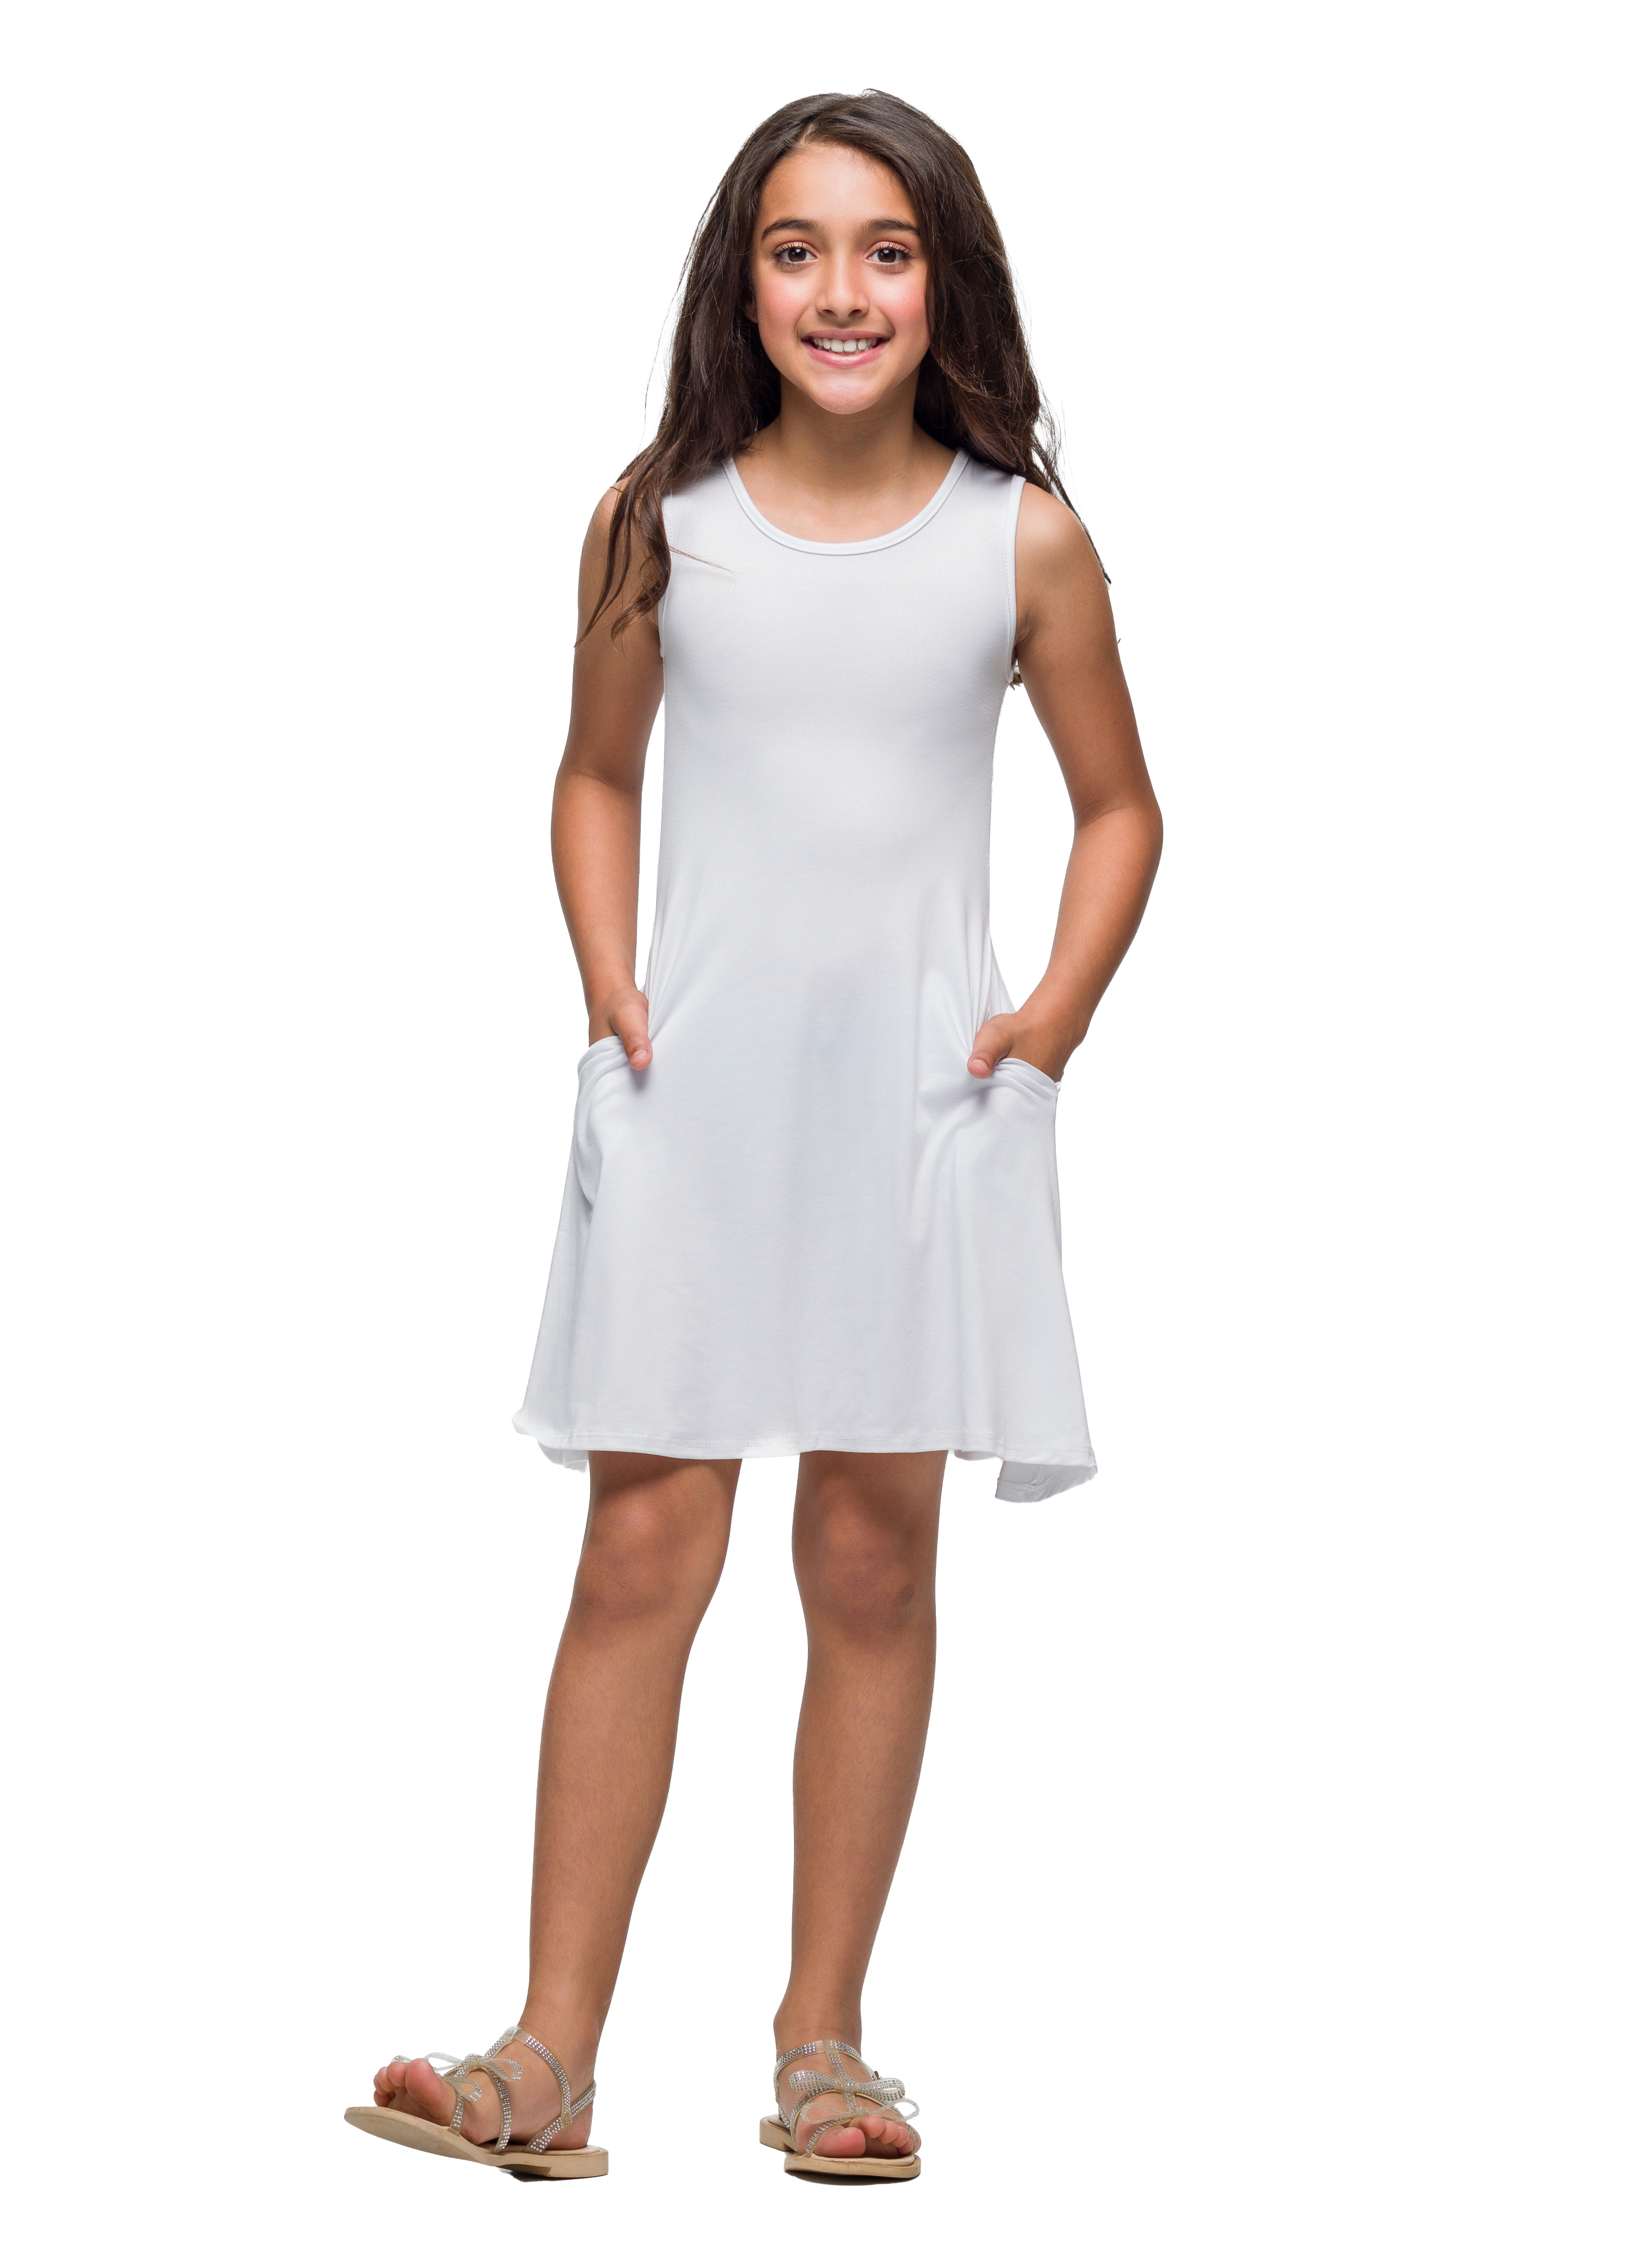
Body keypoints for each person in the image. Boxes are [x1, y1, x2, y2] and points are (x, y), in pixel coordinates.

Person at [345, 87, 1162, 2184]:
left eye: (887, 249)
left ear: (946, 280)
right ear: (744, 282)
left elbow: (1122, 807)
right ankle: (549, 2054)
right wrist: (607, 981)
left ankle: (825, 2040)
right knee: (642, 1542)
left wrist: (1049, 1024)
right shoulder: (661, 522)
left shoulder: (1019, 540)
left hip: (918, 1112)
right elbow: (594, 773)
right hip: (693, 1101)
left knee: (873, 1554)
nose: (842, 290)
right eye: (798, 250)